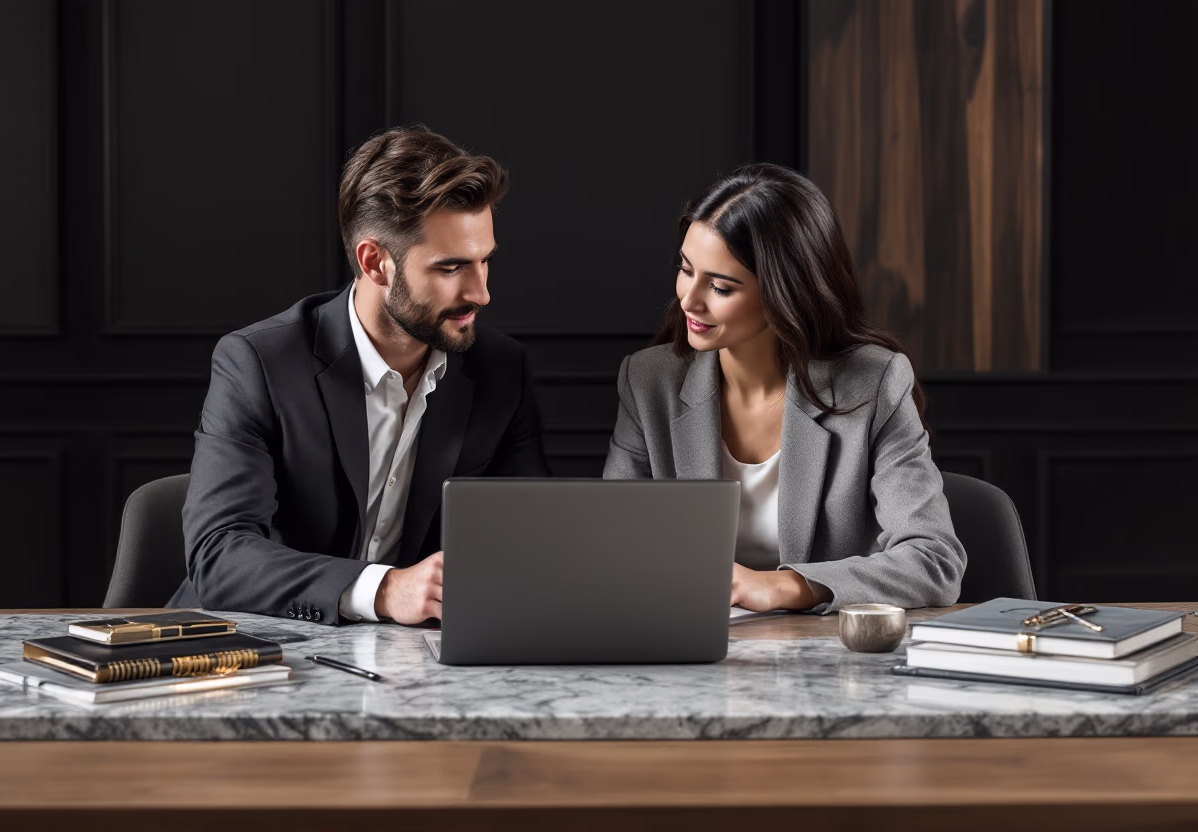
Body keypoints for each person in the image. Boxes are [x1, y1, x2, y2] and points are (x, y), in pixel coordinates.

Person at [168, 126, 549, 625]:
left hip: (413, 662)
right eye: (452, 267)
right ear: (375, 263)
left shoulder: (501, 369)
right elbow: (219, 555)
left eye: (485, 262)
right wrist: (386, 589)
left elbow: (531, 540)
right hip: (245, 650)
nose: (481, 293)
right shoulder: (258, 362)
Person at [603, 163, 965, 613]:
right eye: (685, 269)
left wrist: (777, 587)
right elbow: (612, 547)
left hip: (827, 663)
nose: (688, 299)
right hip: (688, 650)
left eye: (719, 286)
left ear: (784, 293)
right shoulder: (648, 381)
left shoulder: (874, 383)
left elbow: (934, 561)